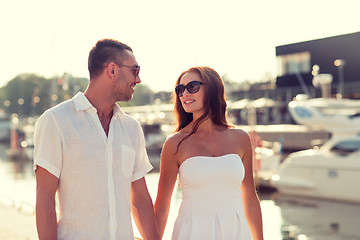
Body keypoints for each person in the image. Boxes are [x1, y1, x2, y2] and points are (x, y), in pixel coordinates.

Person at [34, 39, 160, 240]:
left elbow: (140, 199)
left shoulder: (131, 128)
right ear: (112, 70)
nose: (138, 79)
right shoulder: (56, 121)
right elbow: (45, 198)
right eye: (135, 71)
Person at [154, 66, 264, 240]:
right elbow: (161, 207)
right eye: (180, 90)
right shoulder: (175, 143)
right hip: (191, 232)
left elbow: (250, 198)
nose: (184, 94)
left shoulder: (240, 138)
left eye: (192, 87)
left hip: (236, 231)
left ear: (212, 89)